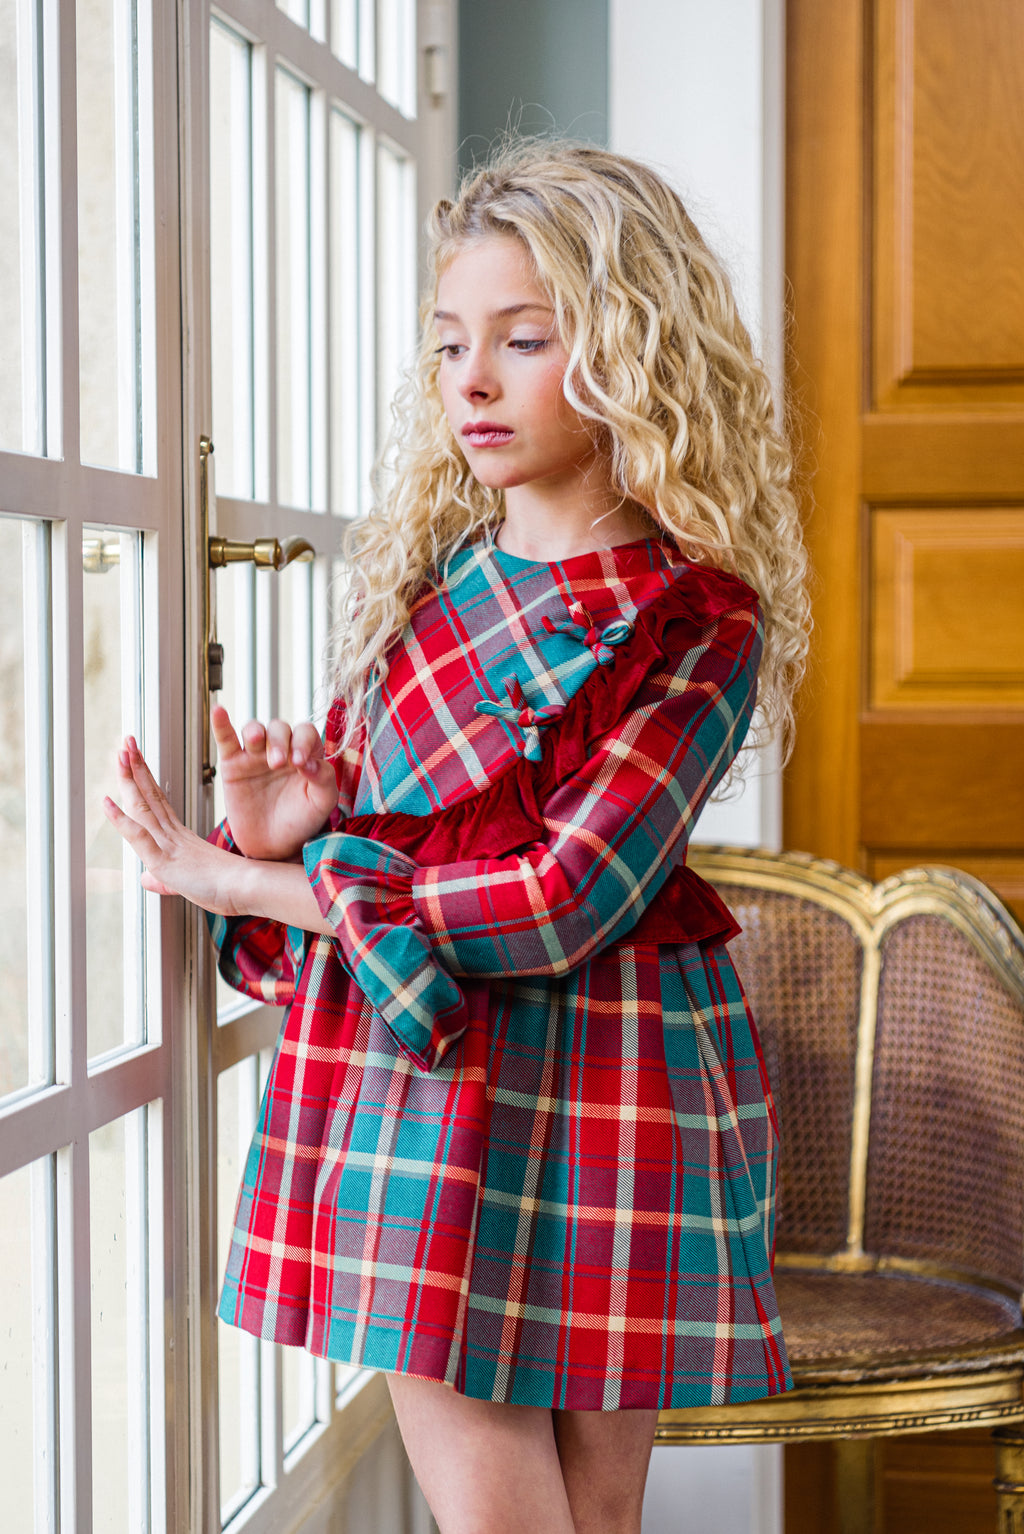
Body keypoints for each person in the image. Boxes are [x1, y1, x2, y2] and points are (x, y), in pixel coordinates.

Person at [105, 141, 809, 1534]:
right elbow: (369, 891)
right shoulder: (428, 598)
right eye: (449, 345)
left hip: (621, 1103)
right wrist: (293, 831)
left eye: (525, 339)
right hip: (426, 1110)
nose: (472, 381)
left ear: (631, 352)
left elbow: (559, 897)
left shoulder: (696, 619)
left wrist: (259, 876)